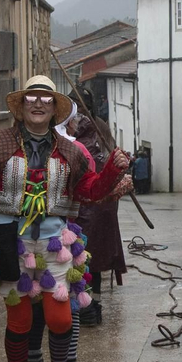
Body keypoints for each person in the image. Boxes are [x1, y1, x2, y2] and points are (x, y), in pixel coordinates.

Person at [0, 77, 129, 362]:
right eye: (31, 97)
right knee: (19, 320)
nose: (38, 103)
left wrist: (112, 172)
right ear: (21, 106)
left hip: (55, 244)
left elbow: (90, 191)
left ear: (55, 109)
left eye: (45, 99)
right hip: (10, 244)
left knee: (60, 319)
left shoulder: (72, 151)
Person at [69, 113, 129, 326]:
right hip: (98, 213)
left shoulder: (78, 148)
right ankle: (91, 308)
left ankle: (87, 310)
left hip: (85, 216)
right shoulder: (93, 141)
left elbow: (95, 184)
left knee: (83, 263)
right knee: (90, 265)